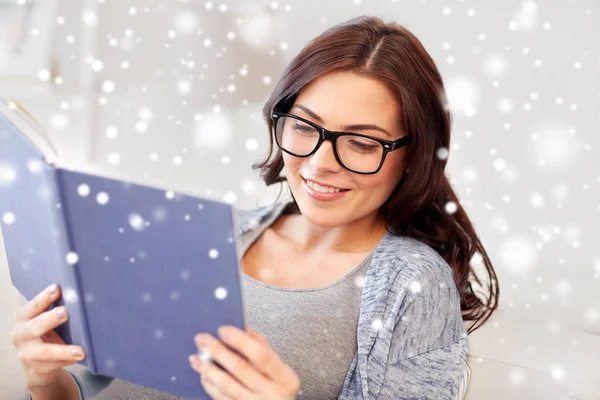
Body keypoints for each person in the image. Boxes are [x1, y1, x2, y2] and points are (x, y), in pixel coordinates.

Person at [12, 15, 498, 400]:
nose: (320, 163)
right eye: (305, 127)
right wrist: (46, 382)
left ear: (412, 156)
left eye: (362, 144)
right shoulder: (221, 231)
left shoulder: (413, 284)